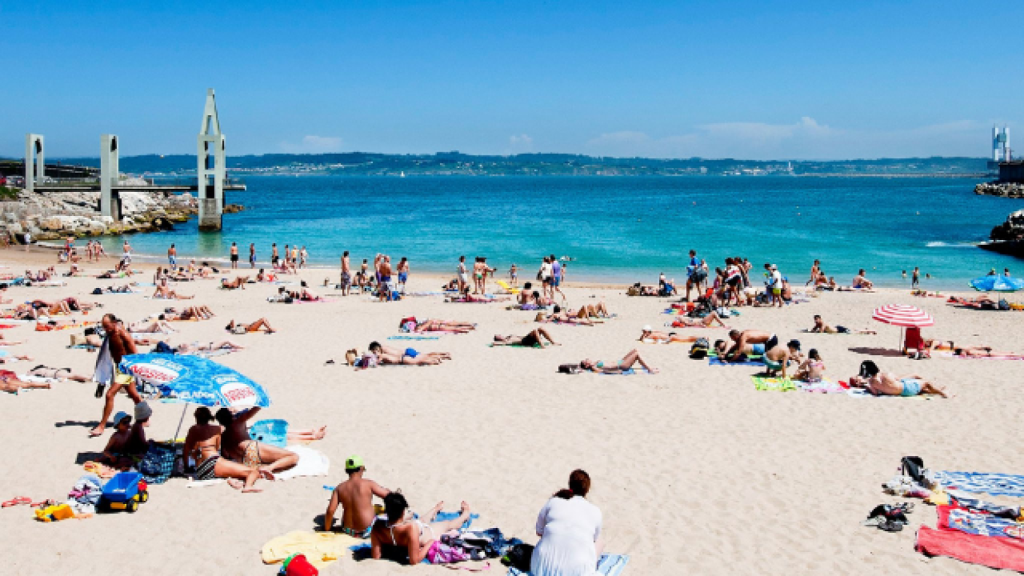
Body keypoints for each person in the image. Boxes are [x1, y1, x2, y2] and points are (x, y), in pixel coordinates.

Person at [531, 470, 603, 576]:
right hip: (577, 573)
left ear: (570, 484)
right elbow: (593, 540)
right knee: (599, 542)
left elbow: (539, 532)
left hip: (540, 568)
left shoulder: (553, 502)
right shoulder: (595, 511)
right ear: (587, 489)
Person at [370, 492, 472, 564]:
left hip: (405, 529)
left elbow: (376, 556)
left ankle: (435, 509)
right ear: (402, 512)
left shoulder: (377, 527)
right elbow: (414, 560)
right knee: (447, 524)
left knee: (421, 520)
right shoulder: (410, 528)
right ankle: (465, 515)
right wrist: (430, 543)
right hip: (426, 535)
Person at [183, 407, 262, 492]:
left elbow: (186, 449)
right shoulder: (217, 429)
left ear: (196, 417)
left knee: (240, 471)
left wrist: (187, 467)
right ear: (209, 417)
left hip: (200, 471)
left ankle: (231, 479)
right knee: (253, 472)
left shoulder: (193, 429)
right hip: (212, 462)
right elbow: (217, 448)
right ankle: (248, 486)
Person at [90, 314, 142, 437]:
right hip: (118, 367)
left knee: (110, 394)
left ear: (114, 323)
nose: (105, 329)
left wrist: (134, 369)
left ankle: (101, 425)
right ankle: (145, 417)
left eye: (107, 326)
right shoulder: (109, 334)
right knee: (133, 395)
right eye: (104, 327)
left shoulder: (122, 334)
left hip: (126, 368)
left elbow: (134, 352)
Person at [216, 407, 299, 479]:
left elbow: (225, 455)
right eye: (233, 410)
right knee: (293, 456)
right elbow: (255, 409)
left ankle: (263, 467)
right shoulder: (239, 421)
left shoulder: (223, 435)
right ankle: (269, 468)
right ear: (232, 417)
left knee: (267, 458)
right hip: (250, 448)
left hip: (242, 460)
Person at [323, 456, 391, 537]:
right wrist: (388, 491)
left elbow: (330, 511)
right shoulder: (368, 484)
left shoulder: (339, 488)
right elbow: (388, 496)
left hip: (348, 531)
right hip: (368, 530)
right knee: (379, 509)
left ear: (347, 471)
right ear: (361, 468)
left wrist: (327, 529)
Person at [853, 361, 950, 398]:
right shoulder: (886, 374)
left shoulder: (871, 382)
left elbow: (874, 393)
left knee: (922, 388)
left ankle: (938, 390)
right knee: (926, 383)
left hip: (900, 393)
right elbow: (898, 379)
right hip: (906, 389)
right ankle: (942, 393)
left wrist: (868, 387)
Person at [574, 349, 658, 374]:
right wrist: (616, 372)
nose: (587, 359)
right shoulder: (593, 367)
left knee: (635, 350)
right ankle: (649, 369)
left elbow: (579, 366)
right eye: (586, 361)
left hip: (620, 361)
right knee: (636, 354)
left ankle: (649, 368)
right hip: (621, 366)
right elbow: (603, 371)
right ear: (587, 365)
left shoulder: (594, 363)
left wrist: (579, 367)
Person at [367, 342, 451, 366]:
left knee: (423, 358)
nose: (374, 353)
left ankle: (441, 356)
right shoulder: (384, 348)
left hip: (406, 354)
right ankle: (443, 354)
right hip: (406, 352)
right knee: (426, 355)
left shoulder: (383, 350)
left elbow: (382, 358)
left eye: (373, 351)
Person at [492, 328, 559, 348]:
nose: (500, 335)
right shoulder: (506, 341)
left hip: (526, 338)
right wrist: (496, 343)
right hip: (524, 342)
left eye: (499, 334)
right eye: (499, 336)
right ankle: (542, 346)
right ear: (499, 339)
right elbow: (495, 343)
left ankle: (553, 342)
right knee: (535, 330)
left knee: (540, 329)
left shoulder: (509, 336)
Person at [808, 315, 876, 334]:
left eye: (817, 319)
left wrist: (815, 330)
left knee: (855, 332)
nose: (815, 321)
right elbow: (813, 330)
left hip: (839, 330)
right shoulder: (818, 324)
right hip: (836, 328)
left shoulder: (823, 324)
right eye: (815, 319)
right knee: (854, 330)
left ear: (820, 319)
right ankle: (866, 330)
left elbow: (821, 332)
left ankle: (870, 330)